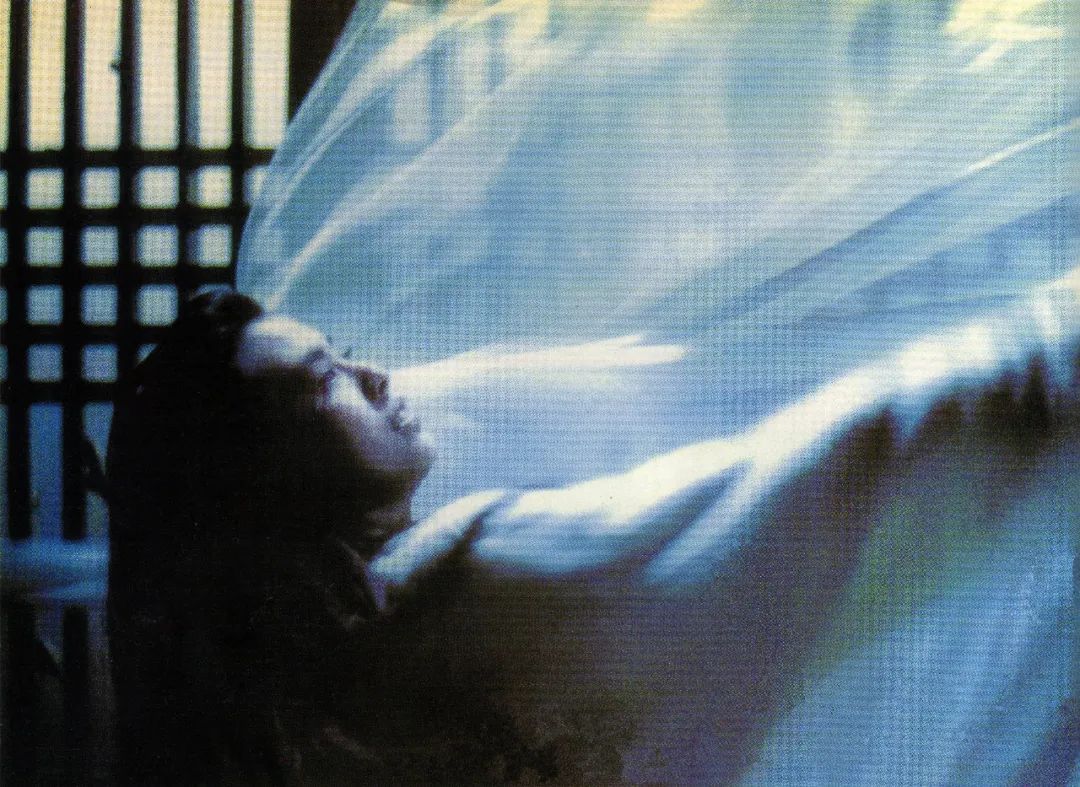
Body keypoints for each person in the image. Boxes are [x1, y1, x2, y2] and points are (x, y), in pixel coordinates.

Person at [108, 278, 1079, 784]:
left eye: (346, 355)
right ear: (263, 475)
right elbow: (823, 480)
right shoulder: (480, 584)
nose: (375, 378)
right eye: (325, 381)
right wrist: (1045, 348)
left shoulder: (284, 696)